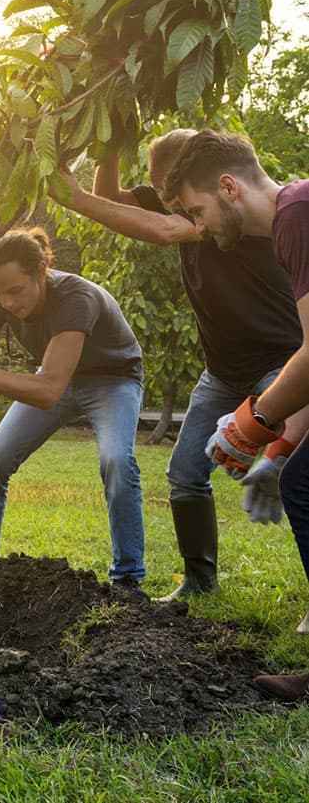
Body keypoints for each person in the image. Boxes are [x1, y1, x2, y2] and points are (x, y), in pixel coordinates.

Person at [50, 129, 303, 601]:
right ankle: (200, 581)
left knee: (294, 474)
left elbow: (162, 229)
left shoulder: (226, 213)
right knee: (185, 471)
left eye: (172, 194)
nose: (170, 204)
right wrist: (109, 138)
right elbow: (114, 197)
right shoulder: (181, 200)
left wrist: (76, 200)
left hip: (282, 360)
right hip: (222, 371)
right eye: (161, 193)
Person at [163, 128, 309, 701]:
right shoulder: (291, 219)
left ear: (228, 187)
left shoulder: (295, 216)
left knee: (304, 484)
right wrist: (273, 439)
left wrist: (252, 424)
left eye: (197, 211)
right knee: (299, 478)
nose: (197, 227)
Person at [0, 226, 148, 596]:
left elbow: (48, 391)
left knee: (116, 460)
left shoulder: (75, 297)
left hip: (112, 379)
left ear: (42, 270)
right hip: (55, 375)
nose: (9, 302)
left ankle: (127, 579)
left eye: (16, 291)